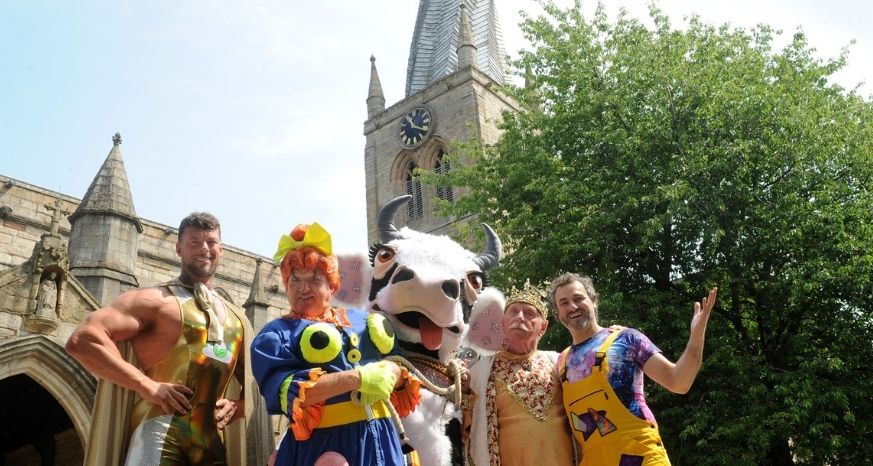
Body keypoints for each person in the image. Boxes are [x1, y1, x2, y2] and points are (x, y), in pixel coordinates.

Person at [66, 212, 257, 466]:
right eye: (194, 242)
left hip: (212, 445)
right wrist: (147, 386)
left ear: (221, 249)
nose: (204, 249)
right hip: (158, 431)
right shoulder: (154, 300)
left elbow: (259, 384)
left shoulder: (237, 319)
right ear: (179, 248)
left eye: (211, 242)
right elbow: (83, 339)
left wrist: (239, 406)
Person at [251, 222, 421, 466]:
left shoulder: (365, 321)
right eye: (295, 279)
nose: (303, 288)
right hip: (324, 448)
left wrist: (392, 371)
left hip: (384, 443)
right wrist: (359, 378)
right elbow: (293, 393)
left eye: (314, 278)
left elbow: (398, 363)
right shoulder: (276, 335)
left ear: (331, 285)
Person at [549, 273, 717, 466]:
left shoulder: (626, 339)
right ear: (557, 314)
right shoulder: (560, 363)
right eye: (564, 303)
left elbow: (678, 382)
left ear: (594, 301)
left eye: (578, 298)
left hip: (640, 456)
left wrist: (696, 336)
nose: (572, 306)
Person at [463, 281, 575, 466]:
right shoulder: (479, 372)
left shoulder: (560, 362)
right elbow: (464, 424)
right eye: (513, 311)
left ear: (543, 327)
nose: (520, 317)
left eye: (529, 313)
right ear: (503, 321)